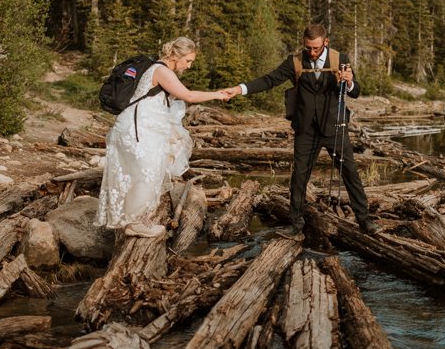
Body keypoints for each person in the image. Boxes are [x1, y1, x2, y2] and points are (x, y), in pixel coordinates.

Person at [214, 24, 376, 235]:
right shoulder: (294, 61)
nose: (311, 52)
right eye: (307, 47)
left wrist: (350, 82)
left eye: (315, 48)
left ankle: (365, 222)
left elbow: (354, 93)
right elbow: (269, 80)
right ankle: (295, 225)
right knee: (299, 177)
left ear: (325, 43)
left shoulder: (340, 59)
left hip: (334, 127)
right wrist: (238, 89)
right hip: (305, 128)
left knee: (350, 174)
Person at [97, 37, 225, 238]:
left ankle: (139, 217)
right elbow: (188, 96)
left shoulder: (161, 69)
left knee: (150, 170)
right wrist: (217, 94)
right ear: (175, 55)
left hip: (144, 126)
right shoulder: (162, 70)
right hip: (137, 127)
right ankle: (134, 222)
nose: (189, 66)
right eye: (188, 61)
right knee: (146, 172)